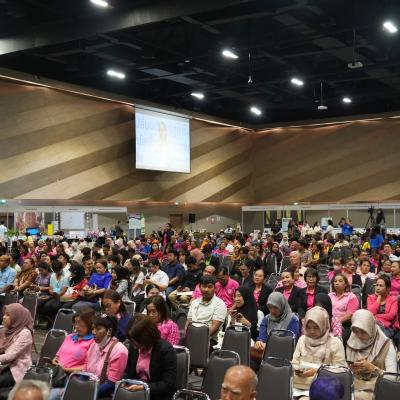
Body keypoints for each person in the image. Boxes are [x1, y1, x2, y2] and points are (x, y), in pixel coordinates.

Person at [346, 309, 397, 400]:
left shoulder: (386, 345)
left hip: (379, 388)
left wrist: (373, 369)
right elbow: (346, 371)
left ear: (371, 328)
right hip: (355, 386)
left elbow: (393, 378)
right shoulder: (352, 342)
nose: (359, 336)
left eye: (363, 332)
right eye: (356, 331)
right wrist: (352, 369)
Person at [292, 307, 346, 391]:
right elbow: (294, 363)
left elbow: (340, 370)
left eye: (316, 327)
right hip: (300, 385)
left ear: (323, 325)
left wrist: (317, 371)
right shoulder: (302, 340)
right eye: (308, 327)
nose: (312, 331)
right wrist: (299, 370)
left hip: (325, 388)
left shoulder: (335, 343)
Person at [124, 316, 177, 400]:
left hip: (157, 395)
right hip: (135, 393)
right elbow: (128, 372)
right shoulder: (133, 346)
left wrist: (144, 387)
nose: (134, 346)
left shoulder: (166, 350)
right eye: (132, 341)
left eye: (136, 342)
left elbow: (168, 384)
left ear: (146, 339)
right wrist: (123, 382)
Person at [253, 292, 300, 360]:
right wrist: (259, 342)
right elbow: (262, 337)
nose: (272, 310)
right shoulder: (267, 319)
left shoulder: (293, 319)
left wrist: (269, 345)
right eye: (270, 307)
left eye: (275, 307)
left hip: (285, 356)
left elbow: (289, 342)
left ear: (282, 305)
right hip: (266, 355)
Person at [186, 275, 227, 347]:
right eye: (204, 286)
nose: (206, 289)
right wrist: (187, 336)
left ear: (215, 288)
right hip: (192, 337)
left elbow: (214, 328)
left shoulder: (220, 304)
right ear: (199, 287)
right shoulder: (194, 302)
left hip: (209, 340)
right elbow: (188, 323)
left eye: (210, 287)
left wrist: (199, 339)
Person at [52, 309, 95, 376]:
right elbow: (57, 357)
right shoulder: (69, 337)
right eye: (75, 323)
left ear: (89, 323)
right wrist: (54, 361)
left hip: (73, 377)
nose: (76, 326)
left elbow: (88, 367)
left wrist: (66, 369)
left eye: (80, 323)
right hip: (57, 373)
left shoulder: (93, 342)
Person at [0, 303, 33, 387]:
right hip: (5, 365)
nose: (4, 317)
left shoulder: (25, 333)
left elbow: (10, 356)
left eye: (8, 315)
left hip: (17, 369)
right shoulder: (7, 330)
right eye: (4, 314)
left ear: (16, 317)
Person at [328, 273, 359, 343]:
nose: (337, 283)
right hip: (329, 324)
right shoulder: (330, 295)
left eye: (340, 281)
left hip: (345, 325)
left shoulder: (351, 297)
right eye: (335, 281)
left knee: (337, 341)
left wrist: (336, 323)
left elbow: (349, 315)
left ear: (345, 284)